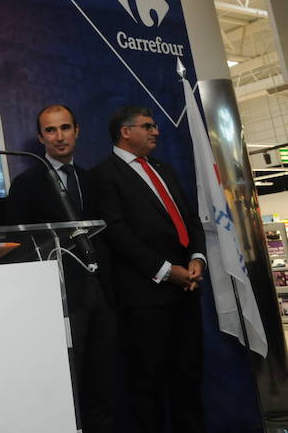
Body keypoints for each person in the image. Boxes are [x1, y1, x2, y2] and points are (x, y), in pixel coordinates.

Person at [91, 106, 207, 433]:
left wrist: (197, 258)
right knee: (148, 387)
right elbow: (117, 233)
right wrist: (168, 270)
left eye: (155, 126)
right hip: (145, 299)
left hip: (187, 291)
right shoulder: (104, 174)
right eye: (148, 126)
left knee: (189, 379)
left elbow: (189, 219)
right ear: (126, 132)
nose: (156, 131)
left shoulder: (164, 169)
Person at [6, 105, 116, 433]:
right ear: (41, 137)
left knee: (104, 382)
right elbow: (19, 244)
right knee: (67, 385)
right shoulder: (26, 184)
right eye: (51, 130)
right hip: (60, 299)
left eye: (65, 128)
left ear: (77, 131)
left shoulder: (91, 179)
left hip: (102, 293)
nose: (59, 136)